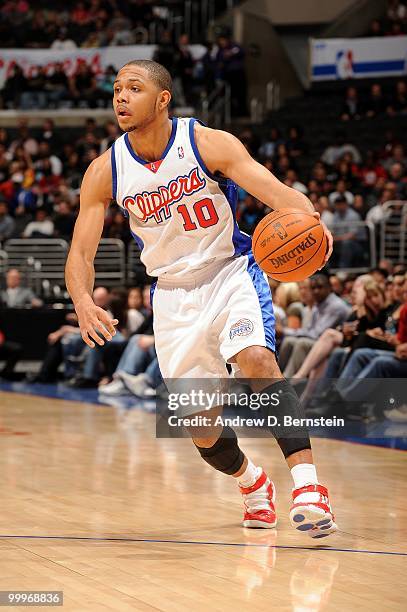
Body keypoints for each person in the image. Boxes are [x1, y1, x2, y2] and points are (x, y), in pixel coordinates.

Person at [65, 59, 337, 538]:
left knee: (255, 359)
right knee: (201, 428)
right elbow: (80, 252)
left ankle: (309, 487)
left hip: (230, 271)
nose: (121, 98)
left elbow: (274, 192)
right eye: (116, 90)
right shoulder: (105, 170)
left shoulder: (207, 142)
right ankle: (253, 484)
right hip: (171, 295)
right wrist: (83, 301)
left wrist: (311, 218)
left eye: (134, 88)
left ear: (163, 98)